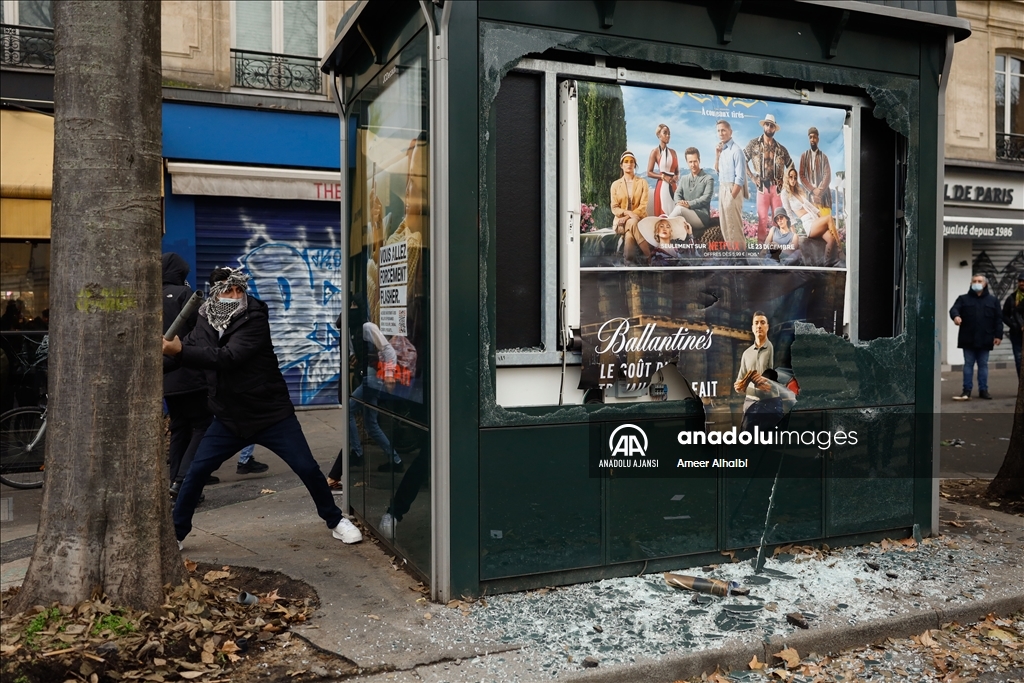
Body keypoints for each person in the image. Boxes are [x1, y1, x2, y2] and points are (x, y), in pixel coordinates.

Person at [162, 267, 362, 546]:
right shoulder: (205, 322)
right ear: (215, 296)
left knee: (307, 468)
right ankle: (177, 534)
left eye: (238, 290)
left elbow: (228, 357)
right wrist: (159, 354)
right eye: (227, 291)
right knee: (195, 473)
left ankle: (335, 520)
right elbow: (183, 353)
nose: (234, 296)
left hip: (271, 414)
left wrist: (179, 350)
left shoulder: (254, 318)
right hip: (229, 419)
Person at [161, 253, 216, 499]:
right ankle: (184, 481)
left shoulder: (149, 295)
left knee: (179, 427)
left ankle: (175, 481)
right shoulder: (186, 295)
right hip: (191, 373)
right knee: (203, 425)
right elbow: (203, 332)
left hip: (166, 376)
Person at [949, 274, 1004, 400]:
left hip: (986, 338)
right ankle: (966, 390)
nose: (976, 283)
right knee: (968, 365)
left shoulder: (993, 301)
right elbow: (954, 310)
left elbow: (998, 320)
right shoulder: (963, 299)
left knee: (983, 365)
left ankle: (983, 390)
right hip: (968, 338)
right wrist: (956, 317)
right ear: (970, 283)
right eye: (974, 281)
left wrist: (998, 336)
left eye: (979, 281)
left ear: (985, 284)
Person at [744, 113, 793, 243]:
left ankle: (776, 248)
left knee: (778, 219)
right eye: (767, 124)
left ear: (774, 129)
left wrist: (786, 181)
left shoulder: (781, 149)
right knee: (762, 219)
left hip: (777, 189)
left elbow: (791, 166)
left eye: (772, 126)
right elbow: (742, 161)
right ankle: (761, 248)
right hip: (762, 188)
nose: (769, 127)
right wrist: (753, 178)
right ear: (763, 126)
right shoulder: (753, 144)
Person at [781, 167, 839, 264]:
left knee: (831, 240)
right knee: (829, 218)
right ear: (786, 178)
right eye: (791, 177)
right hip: (809, 224)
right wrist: (793, 233)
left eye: (795, 178)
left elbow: (814, 209)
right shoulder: (785, 193)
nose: (793, 180)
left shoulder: (798, 192)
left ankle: (826, 264)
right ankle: (840, 252)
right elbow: (788, 213)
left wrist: (823, 222)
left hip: (816, 221)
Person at [610, 150, 650, 263]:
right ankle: (649, 256)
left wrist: (628, 217)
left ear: (634, 165)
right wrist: (628, 213)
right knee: (632, 223)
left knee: (629, 235)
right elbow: (614, 208)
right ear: (621, 165)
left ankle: (628, 262)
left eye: (631, 162)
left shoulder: (642, 183)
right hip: (620, 222)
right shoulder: (615, 185)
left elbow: (643, 206)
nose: (629, 164)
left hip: (638, 219)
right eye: (626, 161)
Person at [714, 120, 747, 249]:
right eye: (718, 131)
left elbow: (740, 178)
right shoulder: (722, 150)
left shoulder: (736, 151)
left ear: (730, 132)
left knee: (734, 226)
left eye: (723, 130)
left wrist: (732, 196)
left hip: (732, 189)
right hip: (723, 188)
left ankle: (740, 258)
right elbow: (717, 170)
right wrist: (717, 155)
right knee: (725, 225)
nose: (721, 133)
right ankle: (733, 256)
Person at [734, 311, 775, 416]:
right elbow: (740, 379)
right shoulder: (746, 353)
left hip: (769, 404)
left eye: (762, 322)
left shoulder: (775, 349)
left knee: (770, 433)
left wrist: (768, 383)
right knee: (748, 433)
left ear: (767, 327)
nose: (759, 326)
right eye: (756, 323)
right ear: (752, 328)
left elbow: (780, 377)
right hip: (750, 403)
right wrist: (738, 386)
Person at [668, 147, 715, 232]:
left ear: (699, 160)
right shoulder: (684, 179)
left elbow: (705, 199)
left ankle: (663, 224)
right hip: (685, 212)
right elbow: (677, 194)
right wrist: (680, 202)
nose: (693, 165)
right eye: (690, 162)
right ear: (687, 162)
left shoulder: (708, 179)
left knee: (679, 209)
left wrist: (688, 204)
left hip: (701, 217)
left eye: (695, 161)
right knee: (679, 208)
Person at [646, 124, 678, 218]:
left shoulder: (673, 152)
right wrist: (663, 177)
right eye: (665, 133)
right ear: (659, 135)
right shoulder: (655, 152)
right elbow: (649, 172)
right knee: (664, 214)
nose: (668, 135)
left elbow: (677, 171)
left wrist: (676, 177)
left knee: (674, 213)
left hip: (673, 185)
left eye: (669, 133)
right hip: (662, 186)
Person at [798, 126, 832, 210]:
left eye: (814, 137)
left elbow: (827, 175)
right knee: (812, 222)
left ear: (818, 139)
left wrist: (819, 192)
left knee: (825, 220)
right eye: (810, 137)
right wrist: (813, 190)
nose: (812, 139)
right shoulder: (804, 156)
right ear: (809, 139)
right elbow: (801, 175)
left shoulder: (824, 157)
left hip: (823, 197)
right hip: (809, 196)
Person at [1002, 272, 1024, 377]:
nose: (1022, 283)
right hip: (1016, 334)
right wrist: (1013, 325)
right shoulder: (1011, 298)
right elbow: (1004, 315)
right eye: (1020, 281)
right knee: (1019, 359)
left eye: (1023, 281)